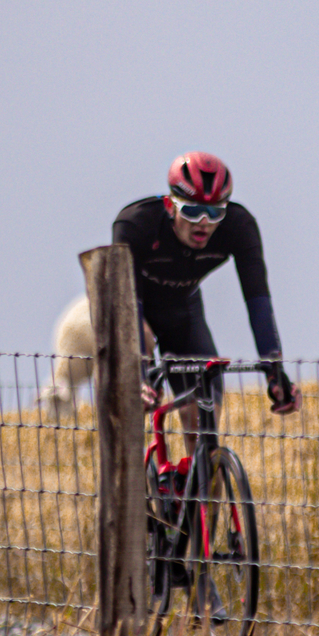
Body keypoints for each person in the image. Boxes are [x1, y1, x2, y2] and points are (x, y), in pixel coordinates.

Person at [112, 151, 300, 435]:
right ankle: (133, 471)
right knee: (139, 387)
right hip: (132, 309)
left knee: (202, 415)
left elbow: (258, 301)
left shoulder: (239, 226)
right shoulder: (136, 225)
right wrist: (138, 373)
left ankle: (202, 476)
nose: (204, 223)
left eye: (215, 213)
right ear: (169, 205)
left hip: (182, 310)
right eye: (192, 211)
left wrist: (275, 371)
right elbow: (127, 306)